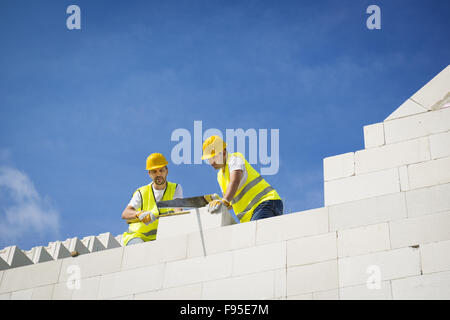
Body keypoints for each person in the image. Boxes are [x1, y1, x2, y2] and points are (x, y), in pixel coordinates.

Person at [201, 135, 283, 223]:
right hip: (252, 214)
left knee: (258, 233)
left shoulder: (234, 159)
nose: (212, 162)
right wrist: (219, 201)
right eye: (209, 159)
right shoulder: (220, 176)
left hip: (264, 202)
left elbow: (235, 181)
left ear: (224, 152)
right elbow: (229, 203)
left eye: (214, 157)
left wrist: (224, 201)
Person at [121, 153, 183, 246]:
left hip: (159, 237)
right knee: (140, 250)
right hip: (136, 236)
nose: (158, 174)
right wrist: (139, 214)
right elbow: (125, 213)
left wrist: (180, 215)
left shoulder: (175, 188)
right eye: (154, 171)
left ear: (167, 171)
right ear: (149, 174)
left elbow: (178, 208)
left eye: (161, 170)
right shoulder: (141, 192)